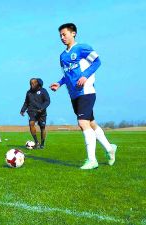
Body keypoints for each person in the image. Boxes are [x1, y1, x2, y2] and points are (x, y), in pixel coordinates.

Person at [50, 23, 117, 169]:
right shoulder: (62, 56)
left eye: (64, 34)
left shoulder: (83, 48)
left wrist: (85, 76)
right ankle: (110, 149)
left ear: (73, 33)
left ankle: (92, 160)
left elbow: (97, 61)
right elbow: (67, 74)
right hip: (73, 94)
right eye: (60, 35)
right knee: (91, 123)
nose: (62, 37)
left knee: (82, 123)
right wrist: (59, 83)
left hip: (86, 91)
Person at [20, 78, 50, 149]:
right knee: (31, 124)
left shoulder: (43, 91)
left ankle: (42, 144)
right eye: (31, 83)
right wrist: (22, 110)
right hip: (32, 111)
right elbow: (26, 102)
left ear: (38, 84)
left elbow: (47, 101)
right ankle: (36, 142)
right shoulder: (28, 92)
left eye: (34, 83)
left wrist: (42, 108)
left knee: (42, 127)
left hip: (41, 112)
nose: (32, 84)